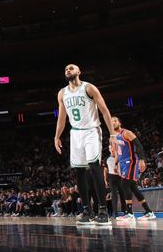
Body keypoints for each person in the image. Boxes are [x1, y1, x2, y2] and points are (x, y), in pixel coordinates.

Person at [54, 64, 115, 227]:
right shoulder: (62, 93)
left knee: (94, 167)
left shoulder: (89, 88)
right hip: (75, 133)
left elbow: (104, 110)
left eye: (71, 68)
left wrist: (113, 135)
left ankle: (103, 211)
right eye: (66, 69)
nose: (68, 70)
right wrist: (57, 136)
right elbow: (62, 117)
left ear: (79, 72)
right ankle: (87, 211)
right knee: (79, 172)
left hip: (91, 131)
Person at [111, 117, 156, 221]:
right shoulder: (113, 137)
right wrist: (115, 164)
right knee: (133, 187)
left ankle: (130, 213)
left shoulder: (126, 133)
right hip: (122, 163)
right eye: (111, 121)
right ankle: (148, 212)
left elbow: (139, 145)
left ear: (119, 122)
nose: (113, 123)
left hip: (131, 161)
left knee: (125, 183)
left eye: (115, 121)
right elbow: (117, 152)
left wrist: (141, 159)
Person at [103, 149, 127, 219]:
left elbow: (123, 166)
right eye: (111, 149)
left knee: (122, 194)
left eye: (113, 149)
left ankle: (125, 211)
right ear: (110, 150)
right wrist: (105, 180)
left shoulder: (120, 157)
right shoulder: (107, 159)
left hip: (120, 177)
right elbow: (105, 170)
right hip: (111, 177)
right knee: (114, 195)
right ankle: (115, 213)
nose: (112, 150)